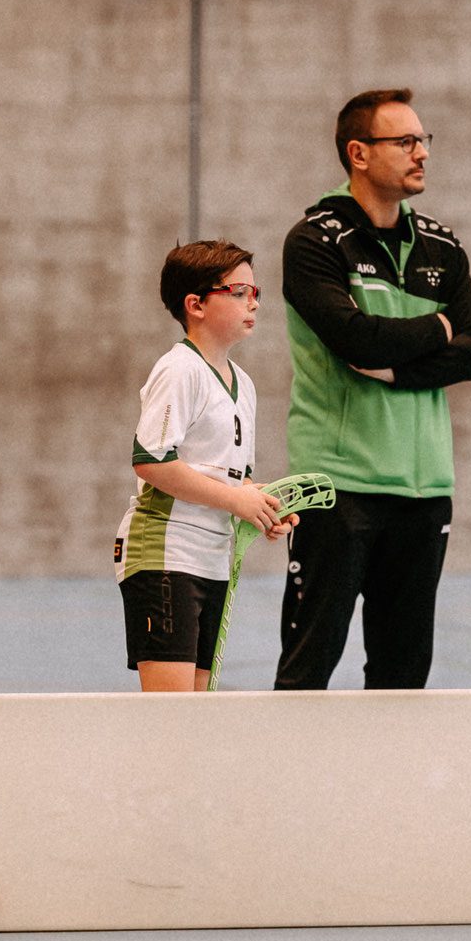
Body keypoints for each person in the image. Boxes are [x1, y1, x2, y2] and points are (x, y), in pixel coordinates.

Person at [276, 87, 471, 690]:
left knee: (403, 677)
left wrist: (397, 367)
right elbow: (357, 341)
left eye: (424, 140)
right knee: (309, 667)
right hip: (336, 487)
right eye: (406, 141)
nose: (422, 152)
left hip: (425, 490)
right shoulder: (315, 241)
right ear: (359, 153)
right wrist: (438, 328)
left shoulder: (442, 246)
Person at [115, 242, 295, 692]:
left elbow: (230, 478)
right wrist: (236, 499)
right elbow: (153, 462)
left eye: (256, 292)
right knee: (172, 717)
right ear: (195, 304)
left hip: (214, 559)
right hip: (166, 553)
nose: (254, 302)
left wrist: (260, 505)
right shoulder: (179, 370)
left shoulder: (244, 385)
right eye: (239, 292)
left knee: (198, 713)